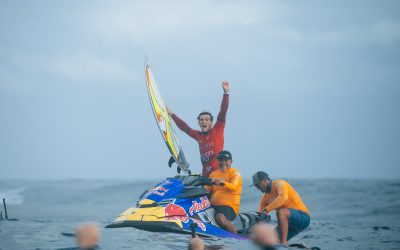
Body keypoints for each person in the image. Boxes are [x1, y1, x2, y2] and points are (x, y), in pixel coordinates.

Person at [167, 81, 230, 176]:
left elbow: (223, 111)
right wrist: (171, 114)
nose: (203, 121)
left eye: (206, 120)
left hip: (218, 176)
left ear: (211, 122)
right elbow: (185, 127)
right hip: (205, 176)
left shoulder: (218, 129)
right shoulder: (198, 136)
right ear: (199, 122)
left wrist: (226, 94)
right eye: (201, 120)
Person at [251, 171, 310, 245]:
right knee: (270, 240)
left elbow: (283, 198)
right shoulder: (264, 199)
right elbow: (260, 217)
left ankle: (284, 243)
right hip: (288, 224)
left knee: (281, 212)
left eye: (257, 185)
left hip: (303, 218)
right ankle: (299, 247)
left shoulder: (280, 184)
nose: (257, 188)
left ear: (265, 181)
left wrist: (267, 210)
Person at [205, 150, 242, 233]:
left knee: (220, 217)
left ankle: (236, 237)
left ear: (231, 162)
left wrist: (221, 183)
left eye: (226, 160)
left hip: (229, 206)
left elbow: (233, 186)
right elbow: (206, 189)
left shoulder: (235, 173)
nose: (223, 162)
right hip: (213, 205)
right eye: (221, 160)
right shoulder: (213, 174)